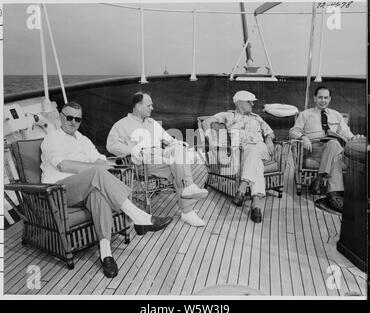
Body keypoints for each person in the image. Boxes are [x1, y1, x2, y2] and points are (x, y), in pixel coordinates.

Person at [41, 101, 172, 278]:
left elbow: (102, 161)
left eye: (78, 119)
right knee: (96, 172)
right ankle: (140, 217)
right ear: (60, 117)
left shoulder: (83, 139)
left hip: (86, 188)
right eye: (69, 117)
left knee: (98, 195)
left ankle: (106, 254)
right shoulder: (52, 138)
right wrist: (92, 166)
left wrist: (96, 166)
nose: (73, 122)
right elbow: (64, 165)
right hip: (58, 191)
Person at [106, 92, 208, 227]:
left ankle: (188, 196)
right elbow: (111, 145)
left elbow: (167, 138)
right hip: (141, 163)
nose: (152, 108)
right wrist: (131, 150)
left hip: (160, 158)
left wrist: (175, 143)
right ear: (138, 106)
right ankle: (187, 207)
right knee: (178, 167)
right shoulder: (122, 125)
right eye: (149, 105)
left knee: (179, 152)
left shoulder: (152, 123)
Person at [202, 90, 275, 223]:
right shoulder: (228, 116)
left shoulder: (257, 117)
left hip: (260, 148)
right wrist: (213, 133)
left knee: (254, 149)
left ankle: (242, 187)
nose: (253, 104)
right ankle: (256, 205)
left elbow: (269, 132)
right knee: (255, 161)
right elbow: (206, 122)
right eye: (249, 101)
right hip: (241, 152)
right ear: (240, 103)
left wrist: (269, 139)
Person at [289, 86, 364, 212]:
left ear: (329, 99)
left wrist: (355, 137)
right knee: (335, 149)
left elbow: (346, 134)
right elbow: (293, 131)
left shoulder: (337, 115)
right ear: (314, 98)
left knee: (334, 145)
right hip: (314, 149)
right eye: (320, 97)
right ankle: (333, 192)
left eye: (325, 98)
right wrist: (303, 137)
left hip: (333, 148)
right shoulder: (305, 114)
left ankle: (323, 185)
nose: (322, 100)